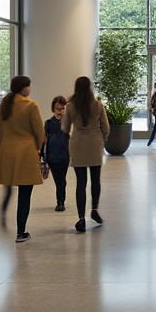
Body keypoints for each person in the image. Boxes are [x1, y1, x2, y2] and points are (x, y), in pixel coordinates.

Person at [0, 76, 45, 243]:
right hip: (25, 153)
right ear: (24, 88)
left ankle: (2, 213)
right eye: (29, 86)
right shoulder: (30, 105)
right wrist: (38, 148)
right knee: (25, 194)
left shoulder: (4, 105)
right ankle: (20, 232)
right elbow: (39, 132)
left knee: (8, 188)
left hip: (7, 152)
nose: (30, 89)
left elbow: (0, 130)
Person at [63, 76, 110, 233]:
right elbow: (106, 127)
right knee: (95, 179)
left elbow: (64, 127)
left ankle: (81, 218)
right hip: (94, 143)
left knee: (80, 183)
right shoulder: (97, 105)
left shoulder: (70, 106)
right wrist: (101, 139)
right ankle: (94, 209)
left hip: (78, 144)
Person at [41, 95, 70, 211]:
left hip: (64, 155)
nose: (59, 110)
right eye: (57, 108)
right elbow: (44, 140)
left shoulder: (67, 122)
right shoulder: (48, 123)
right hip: (52, 156)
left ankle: (60, 201)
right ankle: (60, 200)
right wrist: (43, 157)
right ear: (53, 108)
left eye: (62, 108)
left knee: (61, 179)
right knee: (59, 179)